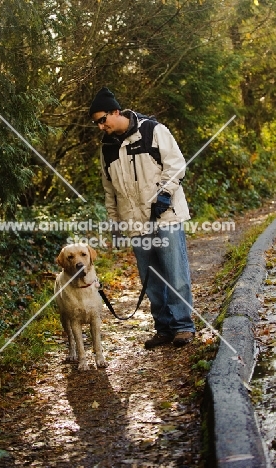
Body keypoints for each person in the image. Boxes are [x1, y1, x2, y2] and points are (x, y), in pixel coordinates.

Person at [89, 87, 195, 348]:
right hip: (135, 223)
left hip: (165, 217)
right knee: (152, 280)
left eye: (103, 120)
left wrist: (165, 195)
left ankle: (183, 326)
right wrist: (115, 222)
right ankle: (164, 328)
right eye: (96, 123)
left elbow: (176, 164)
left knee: (175, 274)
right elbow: (109, 190)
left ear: (116, 111)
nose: (101, 127)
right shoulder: (107, 148)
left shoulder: (152, 130)